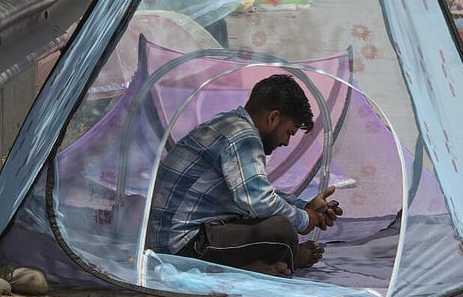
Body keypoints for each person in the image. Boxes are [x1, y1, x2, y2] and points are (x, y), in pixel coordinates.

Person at [147, 74, 344, 277]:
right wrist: (304, 220)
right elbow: (258, 201)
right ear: (273, 117)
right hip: (180, 246)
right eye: (289, 133)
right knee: (281, 230)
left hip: (168, 241)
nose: (285, 142)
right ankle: (283, 259)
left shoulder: (228, 123)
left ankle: (258, 263)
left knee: (272, 222)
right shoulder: (244, 137)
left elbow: (255, 190)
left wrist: (305, 207)